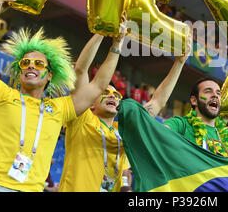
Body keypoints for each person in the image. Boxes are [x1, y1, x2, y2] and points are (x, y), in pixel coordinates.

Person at [0, 0, 127, 192]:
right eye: (25, 63)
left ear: (49, 75)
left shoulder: (58, 109)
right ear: (19, 70)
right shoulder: (1, 95)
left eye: (39, 64)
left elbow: (98, 86)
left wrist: (117, 44)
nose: (31, 66)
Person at [59, 31, 191, 192]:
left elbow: (157, 102)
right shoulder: (81, 117)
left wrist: (179, 63)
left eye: (116, 95)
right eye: (105, 93)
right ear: (90, 103)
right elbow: (80, 70)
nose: (112, 97)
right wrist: (103, 31)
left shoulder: (124, 131)